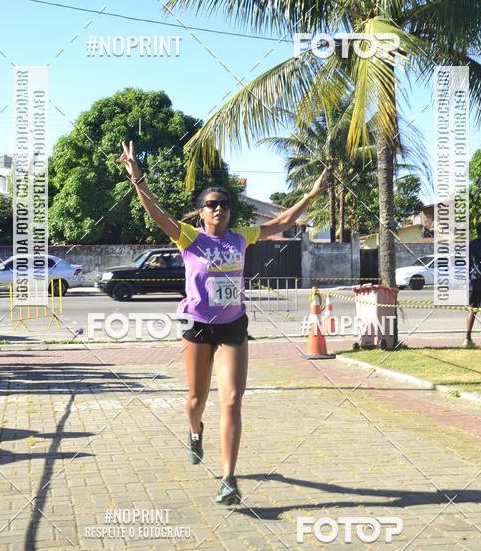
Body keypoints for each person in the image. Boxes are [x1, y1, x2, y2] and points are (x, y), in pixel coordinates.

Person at [118, 140, 327, 506]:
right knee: (195, 400)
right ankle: (194, 432)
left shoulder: (241, 238)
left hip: (233, 327)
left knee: (231, 399)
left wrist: (310, 195)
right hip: (199, 326)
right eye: (212, 204)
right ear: (201, 212)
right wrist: (137, 178)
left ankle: (229, 479)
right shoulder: (189, 238)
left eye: (224, 204)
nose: (219, 209)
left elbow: (281, 222)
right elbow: (157, 213)